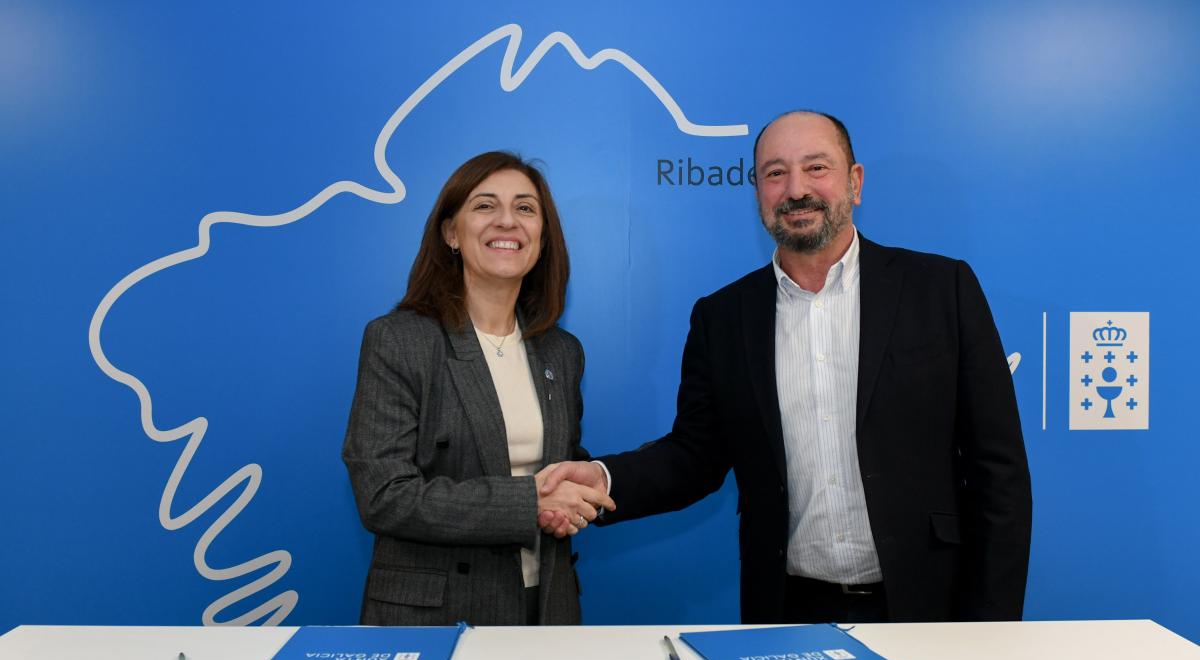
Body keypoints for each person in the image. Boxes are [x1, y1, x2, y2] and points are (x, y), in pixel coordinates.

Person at [540, 111, 1032, 625]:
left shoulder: (942, 289)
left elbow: (999, 472)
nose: (796, 190)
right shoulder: (723, 318)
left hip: (929, 608)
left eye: (816, 167)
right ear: (757, 192)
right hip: (786, 611)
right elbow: (694, 457)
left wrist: (991, 627)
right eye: (775, 173)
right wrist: (602, 479)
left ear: (855, 182)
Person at [343, 151, 613, 627]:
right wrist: (530, 503)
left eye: (525, 208)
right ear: (451, 233)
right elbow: (384, 495)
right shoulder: (399, 340)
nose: (507, 221)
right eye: (485, 205)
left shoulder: (562, 352)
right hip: (436, 617)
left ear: (542, 238)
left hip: (546, 608)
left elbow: (560, 467)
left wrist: (572, 496)